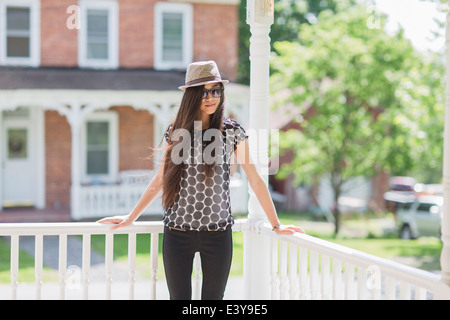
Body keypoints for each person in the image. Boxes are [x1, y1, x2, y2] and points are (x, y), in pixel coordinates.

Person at [98, 61, 304, 300]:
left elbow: (256, 180)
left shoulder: (232, 132)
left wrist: (276, 225)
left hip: (218, 235)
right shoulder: (177, 131)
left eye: (215, 90)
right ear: (191, 95)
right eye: (203, 91)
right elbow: (161, 179)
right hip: (177, 233)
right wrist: (130, 217)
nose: (210, 97)